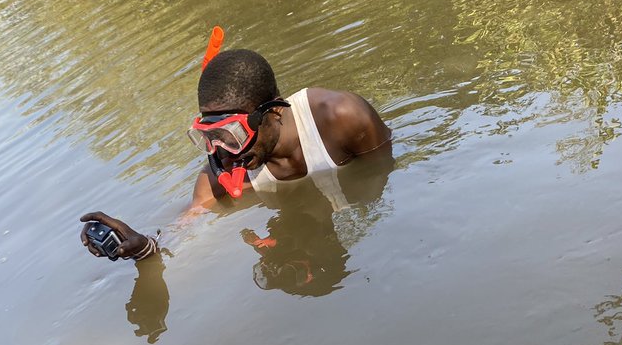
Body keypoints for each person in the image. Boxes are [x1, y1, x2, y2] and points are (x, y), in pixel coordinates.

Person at [80, 39, 392, 262]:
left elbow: (383, 181)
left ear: (275, 112)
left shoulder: (343, 119)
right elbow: (184, 230)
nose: (224, 153)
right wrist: (144, 248)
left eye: (233, 134)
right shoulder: (223, 173)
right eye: (209, 136)